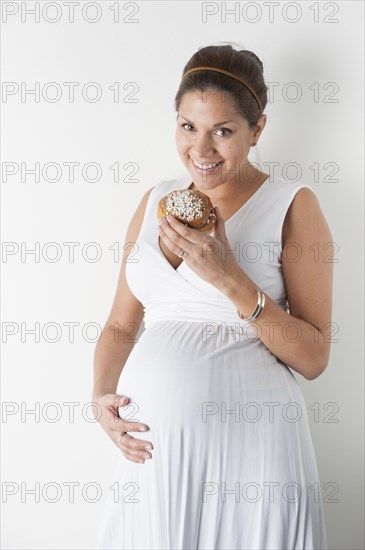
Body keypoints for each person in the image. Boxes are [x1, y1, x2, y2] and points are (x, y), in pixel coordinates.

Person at [93, 43, 332, 549]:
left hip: (253, 453)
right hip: (154, 457)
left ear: (258, 130)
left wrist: (230, 279)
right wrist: (100, 400)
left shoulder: (292, 205)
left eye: (223, 131)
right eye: (188, 127)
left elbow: (313, 358)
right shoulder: (155, 199)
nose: (201, 150)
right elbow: (119, 325)